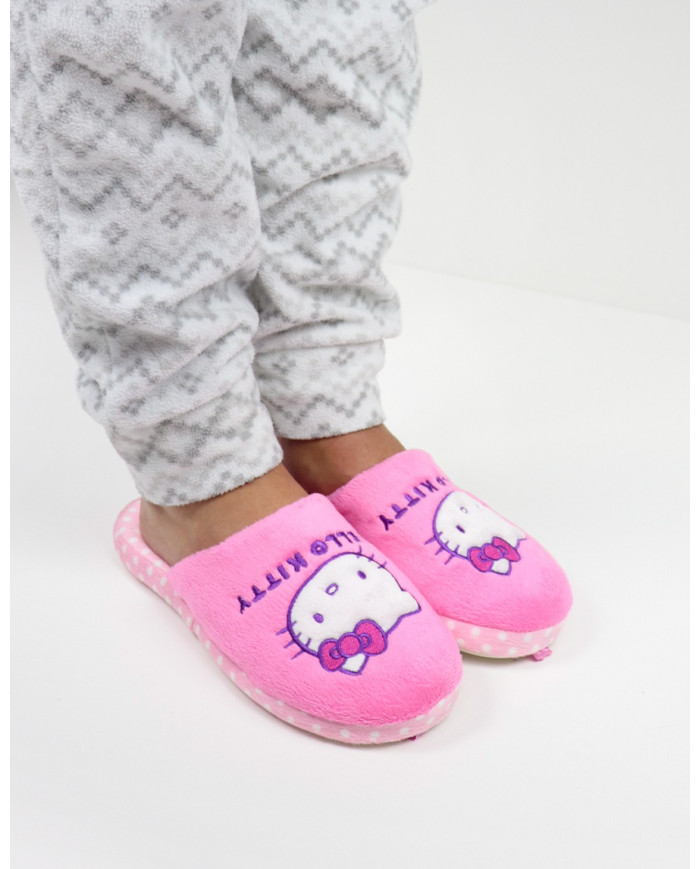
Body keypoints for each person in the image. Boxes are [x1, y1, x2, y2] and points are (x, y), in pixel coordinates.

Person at [11, 0, 572, 745]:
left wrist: (321, 379)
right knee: (137, 36)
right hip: (189, 440)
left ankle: (313, 413)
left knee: (334, 27)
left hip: (312, 377)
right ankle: (196, 472)